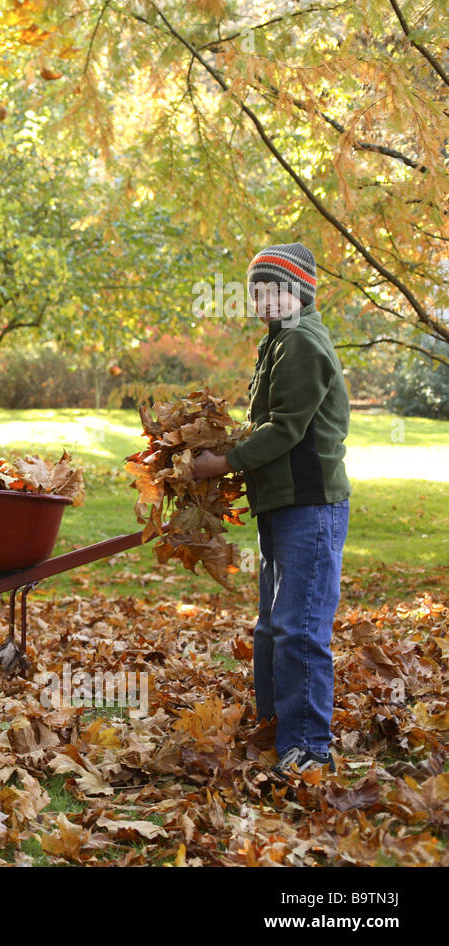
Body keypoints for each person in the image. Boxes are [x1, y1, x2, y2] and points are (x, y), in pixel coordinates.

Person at [192, 242, 350, 776]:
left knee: (299, 626)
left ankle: (308, 747)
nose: (263, 300)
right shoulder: (279, 340)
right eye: (256, 290)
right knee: (271, 627)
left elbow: (285, 429)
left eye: (274, 289)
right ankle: (275, 726)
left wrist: (224, 463)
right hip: (281, 504)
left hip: (310, 503)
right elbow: (265, 422)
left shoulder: (303, 341)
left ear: (298, 293)